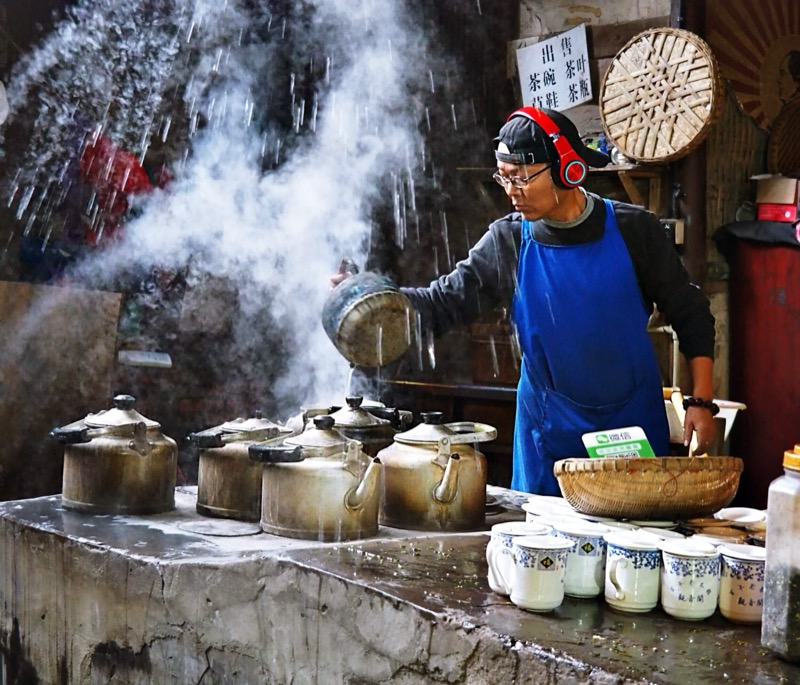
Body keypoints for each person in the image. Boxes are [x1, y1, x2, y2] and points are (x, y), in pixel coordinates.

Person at [333, 107, 718, 496]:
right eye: (504, 177)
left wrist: (702, 402)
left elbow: (691, 312)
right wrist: (369, 297)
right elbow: (441, 303)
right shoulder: (508, 242)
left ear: (568, 168)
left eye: (521, 178)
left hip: (631, 429)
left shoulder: (636, 230)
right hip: (547, 437)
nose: (510, 191)